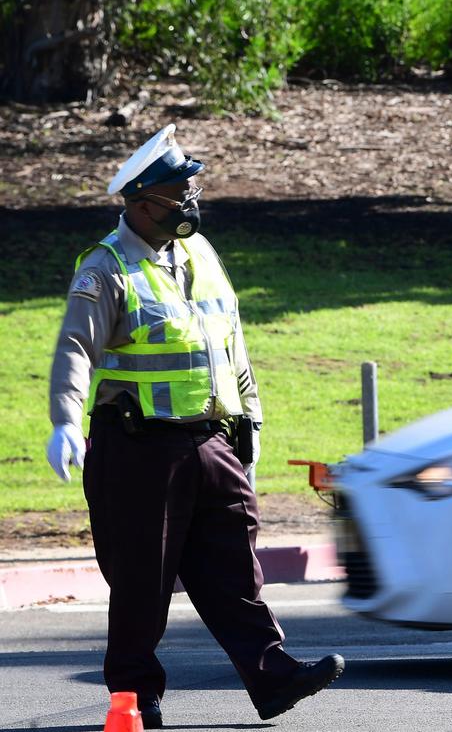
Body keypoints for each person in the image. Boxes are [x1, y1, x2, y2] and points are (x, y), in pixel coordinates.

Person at [45, 124, 344, 728]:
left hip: (211, 442)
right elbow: (75, 347)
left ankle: (274, 676)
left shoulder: (202, 255)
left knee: (236, 565)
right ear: (140, 202)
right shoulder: (106, 269)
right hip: (138, 449)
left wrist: (250, 422)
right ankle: (135, 698)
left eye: (191, 188)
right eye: (178, 192)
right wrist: (65, 420)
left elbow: (231, 346)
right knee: (141, 581)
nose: (190, 201)